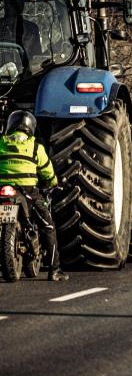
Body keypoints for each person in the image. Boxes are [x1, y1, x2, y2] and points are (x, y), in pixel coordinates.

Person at [0, 111, 67, 280]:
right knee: (48, 226)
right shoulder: (35, 146)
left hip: (3, 189)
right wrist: (53, 182)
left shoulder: (1, 142)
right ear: (31, 127)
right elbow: (47, 171)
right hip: (27, 191)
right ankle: (55, 270)